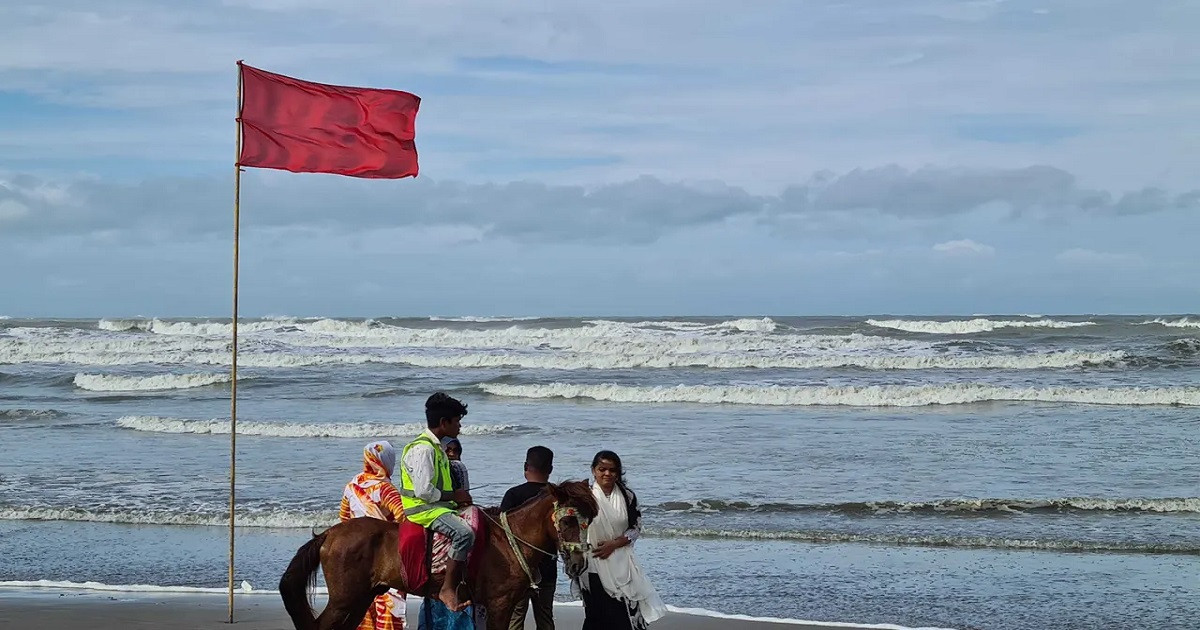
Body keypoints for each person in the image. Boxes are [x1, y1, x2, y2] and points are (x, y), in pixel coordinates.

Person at [400, 392, 475, 612]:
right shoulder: (424, 449)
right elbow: (424, 491)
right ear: (444, 423)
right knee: (464, 533)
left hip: (438, 506)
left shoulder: (438, 448)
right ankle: (448, 588)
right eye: (457, 421)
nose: (460, 426)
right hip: (423, 509)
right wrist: (455, 496)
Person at [575, 451, 666, 630]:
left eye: (612, 470)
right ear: (593, 470)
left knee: (625, 615)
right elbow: (571, 528)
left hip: (622, 562)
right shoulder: (583, 497)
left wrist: (614, 544)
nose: (607, 474)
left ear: (618, 473)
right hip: (592, 564)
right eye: (602, 469)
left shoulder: (627, 496)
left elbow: (636, 527)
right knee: (596, 615)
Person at [339, 441, 408, 630]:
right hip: (385, 558)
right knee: (388, 607)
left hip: (356, 556)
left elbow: (344, 519)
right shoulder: (386, 489)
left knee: (362, 609)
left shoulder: (351, 486)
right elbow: (403, 518)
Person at [419, 436, 477, 630]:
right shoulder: (459, 467)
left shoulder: (438, 467)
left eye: (455, 450)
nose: (452, 454)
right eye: (448, 450)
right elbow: (465, 497)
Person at [500, 446, 557, 630]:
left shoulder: (513, 495)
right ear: (550, 469)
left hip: (518, 570)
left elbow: (502, 533)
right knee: (545, 618)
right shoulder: (555, 498)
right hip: (548, 566)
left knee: (515, 618)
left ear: (526, 466)